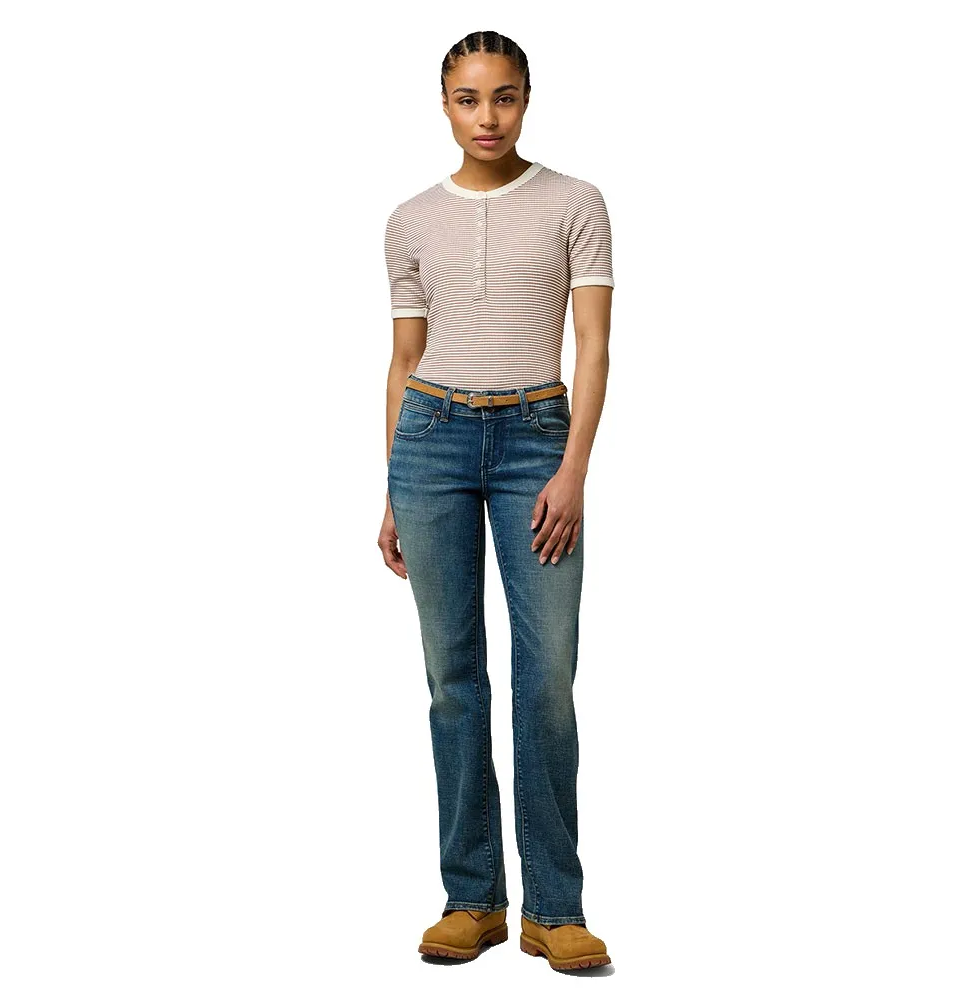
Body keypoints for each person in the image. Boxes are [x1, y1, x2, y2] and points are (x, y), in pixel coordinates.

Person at [378, 30, 614, 972]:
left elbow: (593, 346)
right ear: (445, 105)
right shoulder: (408, 220)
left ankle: (556, 908)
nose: (488, 117)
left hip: (536, 441)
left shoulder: (576, 203)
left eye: (504, 97)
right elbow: (403, 358)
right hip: (430, 441)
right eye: (469, 99)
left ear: (526, 99)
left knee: (546, 676)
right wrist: (392, 486)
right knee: (453, 678)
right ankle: (471, 898)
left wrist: (573, 470)